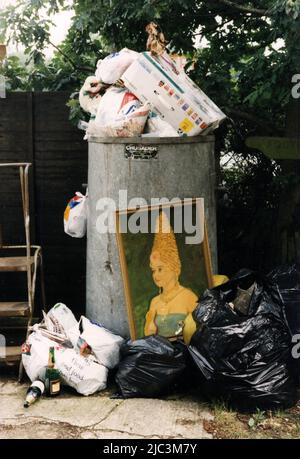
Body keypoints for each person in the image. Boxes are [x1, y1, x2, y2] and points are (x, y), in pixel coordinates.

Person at [144, 210, 198, 339]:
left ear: (174, 268)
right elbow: (148, 337)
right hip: (160, 355)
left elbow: (201, 333)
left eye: (160, 269)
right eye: (153, 270)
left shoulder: (189, 297)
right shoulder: (154, 302)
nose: (155, 274)